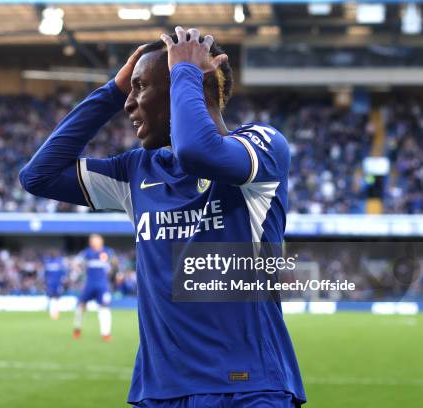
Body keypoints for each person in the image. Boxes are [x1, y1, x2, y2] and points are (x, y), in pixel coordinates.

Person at [20, 26, 305, 407]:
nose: (129, 104)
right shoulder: (136, 172)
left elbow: (197, 153)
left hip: (248, 387)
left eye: (140, 88)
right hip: (160, 391)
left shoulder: (263, 148)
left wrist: (185, 72)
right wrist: (111, 91)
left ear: (185, 87)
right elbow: (38, 176)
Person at [72, 234, 115, 341]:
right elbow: (76, 262)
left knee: (104, 307)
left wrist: (113, 269)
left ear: (101, 241)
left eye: (96, 240)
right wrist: (78, 270)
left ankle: (106, 333)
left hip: (102, 285)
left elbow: (114, 263)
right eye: (92, 240)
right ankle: (77, 329)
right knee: (81, 305)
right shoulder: (86, 253)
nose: (94, 242)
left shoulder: (108, 252)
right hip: (89, 284)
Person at [42, 249, 67, 320]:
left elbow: (45, 274)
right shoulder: (59, 263)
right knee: (56, 298)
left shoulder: (48, 263)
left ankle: (53, 313)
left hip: (50, 283)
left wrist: (45, 282)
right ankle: (55, 313)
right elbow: (63, 273)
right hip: (57, 283)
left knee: (52, 298)